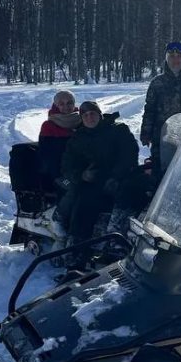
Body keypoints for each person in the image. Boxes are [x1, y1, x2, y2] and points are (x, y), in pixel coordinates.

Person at [61, 100, 140, 260]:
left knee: (133, 188)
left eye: (92, 114)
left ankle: (116, 238)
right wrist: (81, 175)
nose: (90, 118)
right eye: (85, 115)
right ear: (82, 118)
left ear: (99, 114)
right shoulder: (78, 138)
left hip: (120, 177)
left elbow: (130, 154)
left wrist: (116, 175)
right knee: (84, 199)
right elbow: (67, 166)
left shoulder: (118, 130)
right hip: (93, 179)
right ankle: (76, 246)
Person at [140, 42, 181, 180]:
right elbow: (149, 109)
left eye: (178, 56)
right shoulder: (157, 83)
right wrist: (146, 132)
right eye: (172, 56)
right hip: (161, 137)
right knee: (160, 177)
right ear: (166, 59)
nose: (175, 60)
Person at [38, 90, 80, 187]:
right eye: (62, 104)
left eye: (69, 103)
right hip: (58, 172)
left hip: (79, 169)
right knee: (70, 190)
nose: (66, 106)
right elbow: (46, 154)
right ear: (57, 105)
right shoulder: (48, 126)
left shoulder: (82, 120)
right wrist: (57, 175)